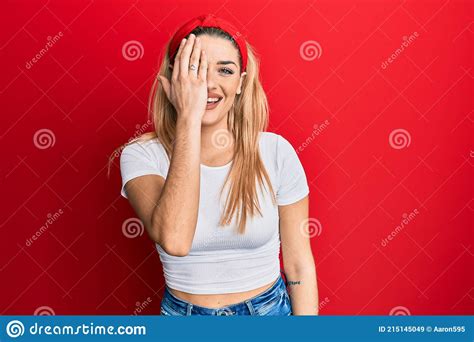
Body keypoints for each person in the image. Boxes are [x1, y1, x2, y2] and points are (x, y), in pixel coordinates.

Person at [116, 14, 318, 316]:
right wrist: (188, 118)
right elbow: (175, 239)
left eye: (225, 70)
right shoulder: (142, 155)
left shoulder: (276, 152)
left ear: (240, 83)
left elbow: (298, 261)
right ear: (174, 79)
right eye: (194, 69)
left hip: (269, 314)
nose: (208, 83)